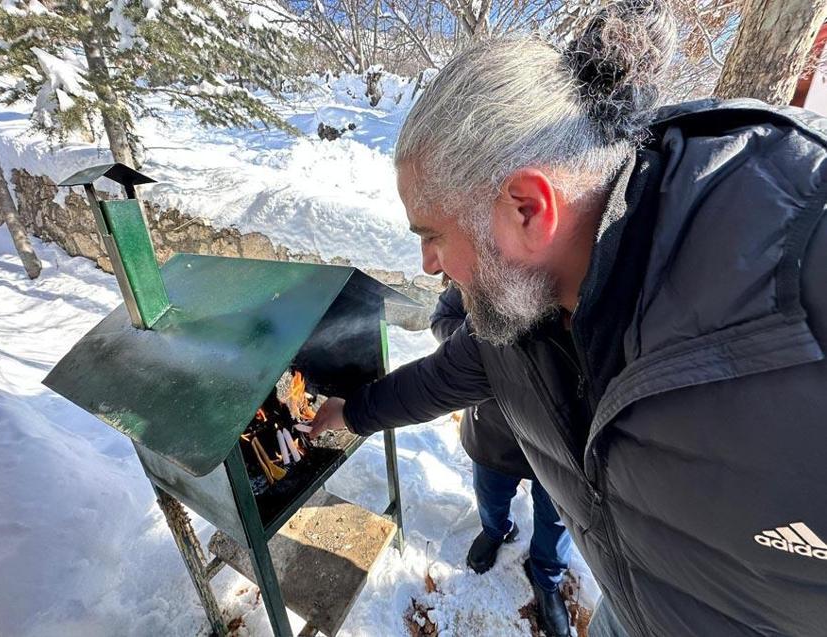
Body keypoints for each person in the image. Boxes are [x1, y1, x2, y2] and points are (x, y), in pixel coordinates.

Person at [311, 0, 827, 635]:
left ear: (527, 209)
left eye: (433, 236)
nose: (428, 264)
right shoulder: (521, 307)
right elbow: (440, 377)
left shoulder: (806, 266)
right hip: (628, 609)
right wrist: (353, 412)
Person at [431, 282, 573, 637]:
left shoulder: (574, 272)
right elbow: (443, 317)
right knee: (490, 496)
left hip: (561, 437)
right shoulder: (487, 266)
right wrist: (487, 351)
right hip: (493, 428)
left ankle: (547, 576)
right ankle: (497, 531)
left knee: (557, 515)